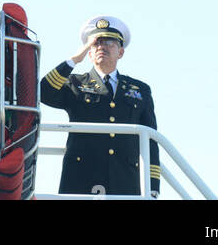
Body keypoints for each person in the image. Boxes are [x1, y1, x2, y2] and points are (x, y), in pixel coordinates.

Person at [40, 14, 161, 198]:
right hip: (81, 178)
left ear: (120, 52)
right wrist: (74, 59)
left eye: (109, 43)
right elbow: (43, 91)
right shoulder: (75, 83)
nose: (101, 47)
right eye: (96, 43)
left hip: (125, 180)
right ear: (89, 52)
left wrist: (152, 186)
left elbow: (151, 140)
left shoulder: (141, 90)